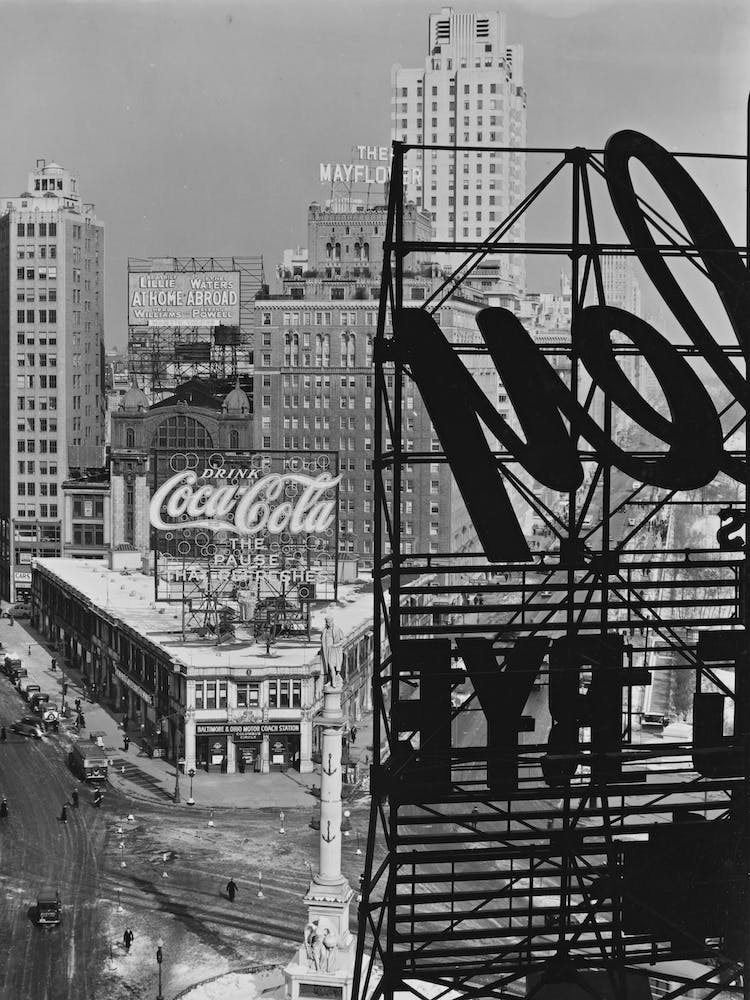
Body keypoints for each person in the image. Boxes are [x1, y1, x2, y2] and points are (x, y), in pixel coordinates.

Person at [320, 615, 345, 687]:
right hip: (326, 650)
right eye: (327, 622)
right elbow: (322, 639)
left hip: (334, 650)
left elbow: (343, 639)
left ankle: (333, 681)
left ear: (332, 621)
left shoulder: (337, 629)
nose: (329, 623)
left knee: (332, 666)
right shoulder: (324, 630)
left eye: (330, 622)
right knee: (327, 666)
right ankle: (330, 680)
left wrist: (336, 645)